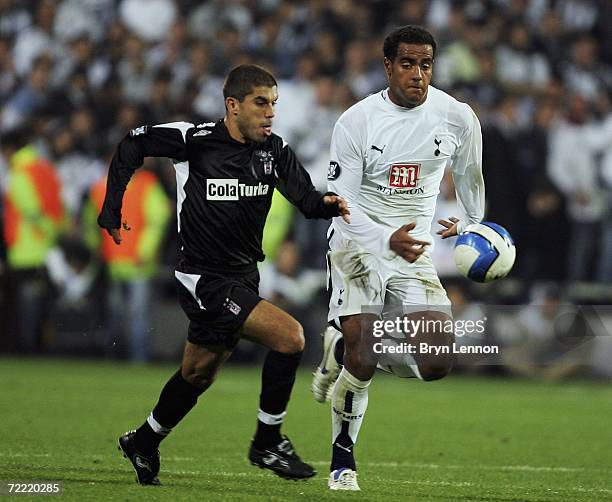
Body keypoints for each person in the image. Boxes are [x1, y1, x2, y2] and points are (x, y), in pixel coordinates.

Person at [97, 64, 349, 485]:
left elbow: (306, 200)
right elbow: (131, 144)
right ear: (232, 105)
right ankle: (267, 441)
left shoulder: (275, 152)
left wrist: (330, 204)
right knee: (290, 338)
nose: (270, 113)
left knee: (198, 373)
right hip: (203, 279)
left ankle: (142, 442)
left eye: (274, 104)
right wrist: (113, 205)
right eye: (260, 103)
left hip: (243, 276)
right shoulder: (192, 140)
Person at [311, 26, 485, 490]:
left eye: (425, 64)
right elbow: (340, 203)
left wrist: (469, 224)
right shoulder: (357, 121)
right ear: (387, 66)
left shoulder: (457, 116)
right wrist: (386, 238)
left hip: (415, 250)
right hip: (358, 245)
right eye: (407, 64)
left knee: (438, 362)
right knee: (364, 357)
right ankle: (342, 459)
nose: (417, 74)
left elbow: (470, 177)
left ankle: (345, 348)